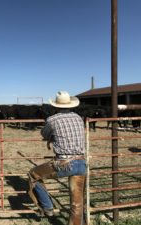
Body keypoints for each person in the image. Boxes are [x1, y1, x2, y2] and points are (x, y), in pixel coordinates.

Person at [27, 91, 86, 225]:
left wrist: (53, 136)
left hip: (64, 163)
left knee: (34, 174)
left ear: (56, 106)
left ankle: (47, 207)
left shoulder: (52, 119)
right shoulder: (78, 117)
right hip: (81, 163)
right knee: (76, 204)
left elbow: (45, 134)